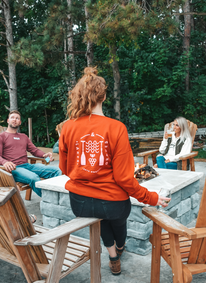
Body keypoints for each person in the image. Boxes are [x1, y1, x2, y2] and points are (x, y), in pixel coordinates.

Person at [59, 67, 169, 276]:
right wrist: (152, 198)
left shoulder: (67, 127)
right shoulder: (116, 127)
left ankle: (112, 255)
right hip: (113, 203)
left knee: (98, 219)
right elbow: (124, 178)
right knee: (117, 223)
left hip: (80, 202)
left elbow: (65, 168)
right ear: (104, 96)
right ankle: (118, 248)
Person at [0, 110, 62, 197]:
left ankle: (57, 196)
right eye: (12, 117)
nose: (15, 120)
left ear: (20, 122)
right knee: (34, 178)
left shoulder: (23, 137)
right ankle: (49, 200)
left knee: (56, 171)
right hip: (14, 169)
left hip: (27, 166)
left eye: (17, 118)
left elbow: (34, 150)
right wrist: (5, 162)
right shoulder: (0, 137)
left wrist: (45, 155)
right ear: (8, 120)